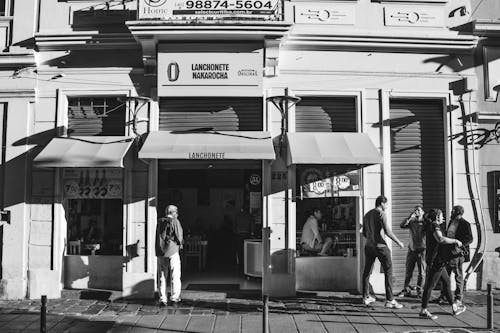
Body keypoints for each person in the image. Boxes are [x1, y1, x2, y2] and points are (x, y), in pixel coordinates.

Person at [419, 209, 466, 319]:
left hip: (439, 261)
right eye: (441, 215)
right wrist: (455, 241)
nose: (443, 217)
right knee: (429, 286)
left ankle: (454, 307)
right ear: (436, 217)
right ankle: (423, 310)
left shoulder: (432, 225)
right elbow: (440, 239)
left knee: (446, 283)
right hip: (435, 261)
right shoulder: (434, 225)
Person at [361, 195, 404, 308]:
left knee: (367, 271)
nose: (388, 206)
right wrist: (398, 242)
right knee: (388, 271)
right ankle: (390, 300)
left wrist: (371, 238)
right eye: (387, 204)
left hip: (369, 246)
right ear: (382, 203)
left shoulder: (367, 215)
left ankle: (365, 297)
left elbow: (364, 233)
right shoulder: (381, 214)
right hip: (381, 247)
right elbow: (388, 232)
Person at [436, 205, 473, 305]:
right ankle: (444, 295)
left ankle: (458, 298)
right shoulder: (451, 221)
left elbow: (470, 239)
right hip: (448, 252)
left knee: (458, 275)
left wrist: (459, 245)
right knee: (446, 275)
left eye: (453, 211)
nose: (451, 212)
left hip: (457, 253)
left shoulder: (465, 224)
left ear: (458, 213)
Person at [156, 205, 183, 306]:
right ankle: (174, 297)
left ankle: (163, 298)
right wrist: (180, 245)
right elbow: (179, 236)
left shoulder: (160, 221)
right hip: (172, 250)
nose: (177, 214)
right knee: (175, 275)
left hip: (161, 252)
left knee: (162, 276)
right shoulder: (175, 221)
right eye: (176, 212)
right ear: (173, 212)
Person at [398, 205, 426, 298]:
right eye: (415, 210)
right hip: (412, 249)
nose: (416, 212)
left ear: (422, 212)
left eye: (418, 210)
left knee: (421, 272)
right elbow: (402, 225)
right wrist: (410, 217)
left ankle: (420, 290)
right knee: (408, 270)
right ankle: (406, 289)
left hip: (422, 250)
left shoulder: (425, 222)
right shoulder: (412, 222)